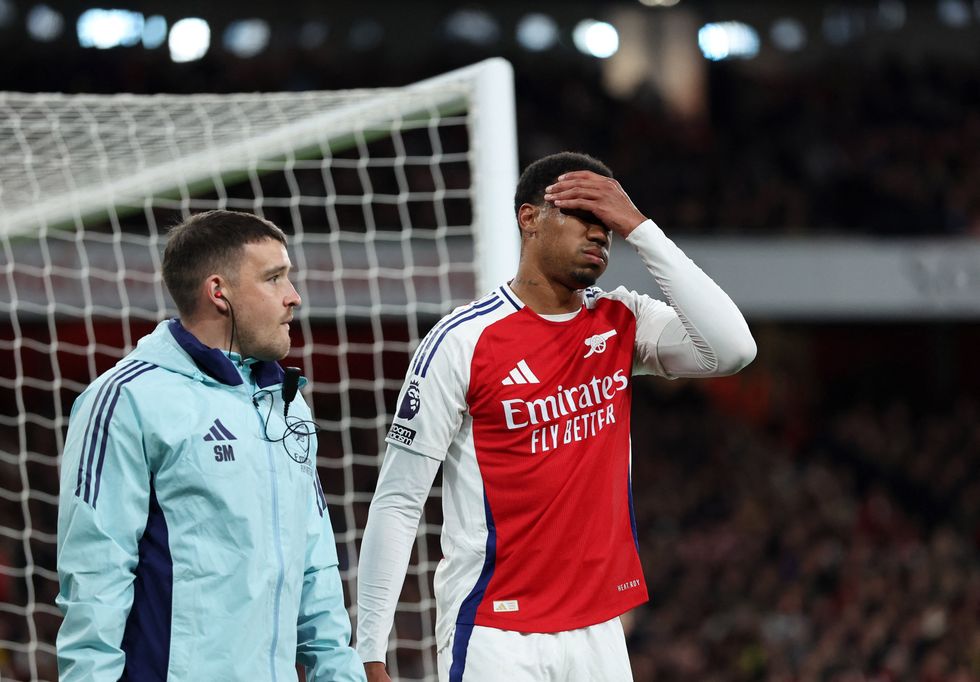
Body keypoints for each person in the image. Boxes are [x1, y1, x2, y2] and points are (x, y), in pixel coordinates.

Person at [356, 152, 757, 681]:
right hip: (495, 630)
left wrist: (640, 227)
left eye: (608, 223)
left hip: (598, 629)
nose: (600, 234)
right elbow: (400, 499)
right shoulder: (462, 341)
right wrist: (369, 651)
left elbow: (732, 349)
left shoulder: (621, 321)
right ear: (529, 218)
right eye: (583, 215)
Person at [56, 210, 365, 681]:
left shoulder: (286, 405)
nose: (294, 297)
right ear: (219, 293)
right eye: (274, 278)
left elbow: (314, 563)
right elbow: (94, 576)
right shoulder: (127, 399)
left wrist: (340, 673)